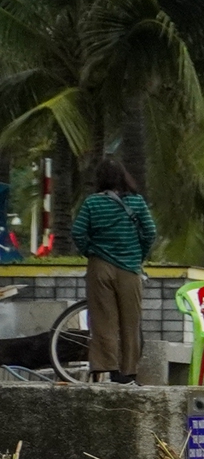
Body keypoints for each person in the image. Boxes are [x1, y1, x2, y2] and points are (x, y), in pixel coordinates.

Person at [68, 156, 156, 383]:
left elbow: (78, 232)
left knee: (102, 320)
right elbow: (150, 232)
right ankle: (127, 372)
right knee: (130, 321)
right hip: (129, 268)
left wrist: (91, 251)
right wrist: (139, 254)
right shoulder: (136, 202)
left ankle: (105, 365)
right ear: (123, 177)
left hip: (100, 267)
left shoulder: (91, 203)